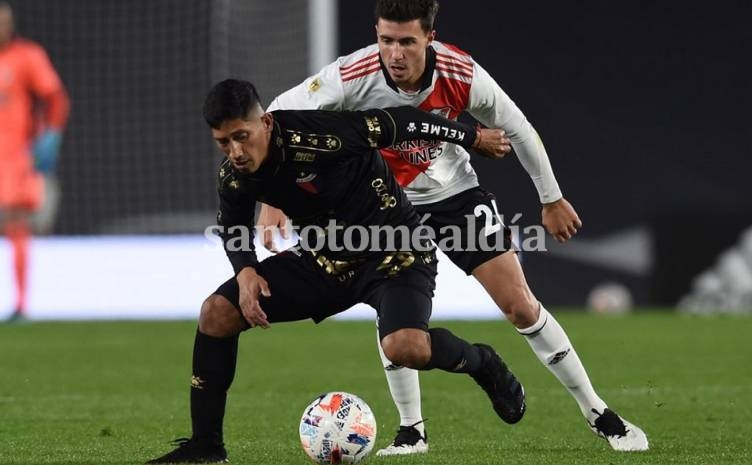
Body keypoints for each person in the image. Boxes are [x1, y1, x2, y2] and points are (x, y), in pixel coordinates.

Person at [262, 0, 648, 454]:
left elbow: (517, 127)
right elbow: (277, 117)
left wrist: (551, 198)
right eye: (386, 40)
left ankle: (598, 412)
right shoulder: (351, 75)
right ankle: (412, 432)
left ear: (429, 36)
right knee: (395, 312)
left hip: (454, 195)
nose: (395, 53)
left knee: (520, 306)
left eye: (407, 41)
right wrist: (271, 200)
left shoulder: (461, 73)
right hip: (382, 205)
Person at [147, 78, 524, 463]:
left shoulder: (321, 135)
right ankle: (206, 447)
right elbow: (233, 226)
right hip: (323, 264)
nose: (236, 151)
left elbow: (407, 121)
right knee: (216, 312)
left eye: (242, 136)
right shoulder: (235, 174)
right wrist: (246, 271)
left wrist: (472, 136)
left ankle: (482, 362)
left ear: (265, 122)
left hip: (396, 256)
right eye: (223, 142)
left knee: (404, 347)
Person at [0, 1, 69, 321]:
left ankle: (21, 302)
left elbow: (55, 98)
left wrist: (50, 136)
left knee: (16, 225)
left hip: (13, 159)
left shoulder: (27, 56)